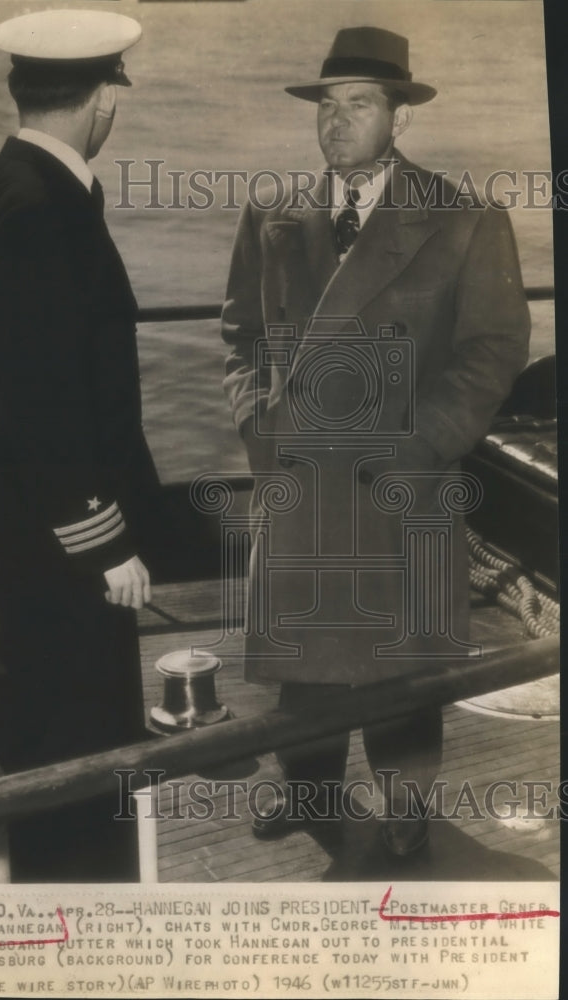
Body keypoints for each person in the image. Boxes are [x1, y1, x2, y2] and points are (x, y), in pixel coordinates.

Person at [221, 26, 530, 858]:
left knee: (404, 663)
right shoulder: (273, 211)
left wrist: (424, 443)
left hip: (402, 475)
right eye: (327, 106)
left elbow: (493, 349)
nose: (336, 122)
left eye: (359, 103)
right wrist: (256, 418)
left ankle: (404, 807)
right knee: (306, 662)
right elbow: (241, 334)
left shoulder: (465, 219)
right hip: (298, 475)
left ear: (401, 119)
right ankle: (312, 793)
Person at [0, 9, 159, 880]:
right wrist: (108, 538)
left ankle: (29, 875)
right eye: (112, 96)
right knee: (86, 724)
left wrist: (18, 382)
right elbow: (55, 391)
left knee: (27, 697)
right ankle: (80, 897)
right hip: (69, 521)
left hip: (19, 501)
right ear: (100, 100)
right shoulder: (47, 205)